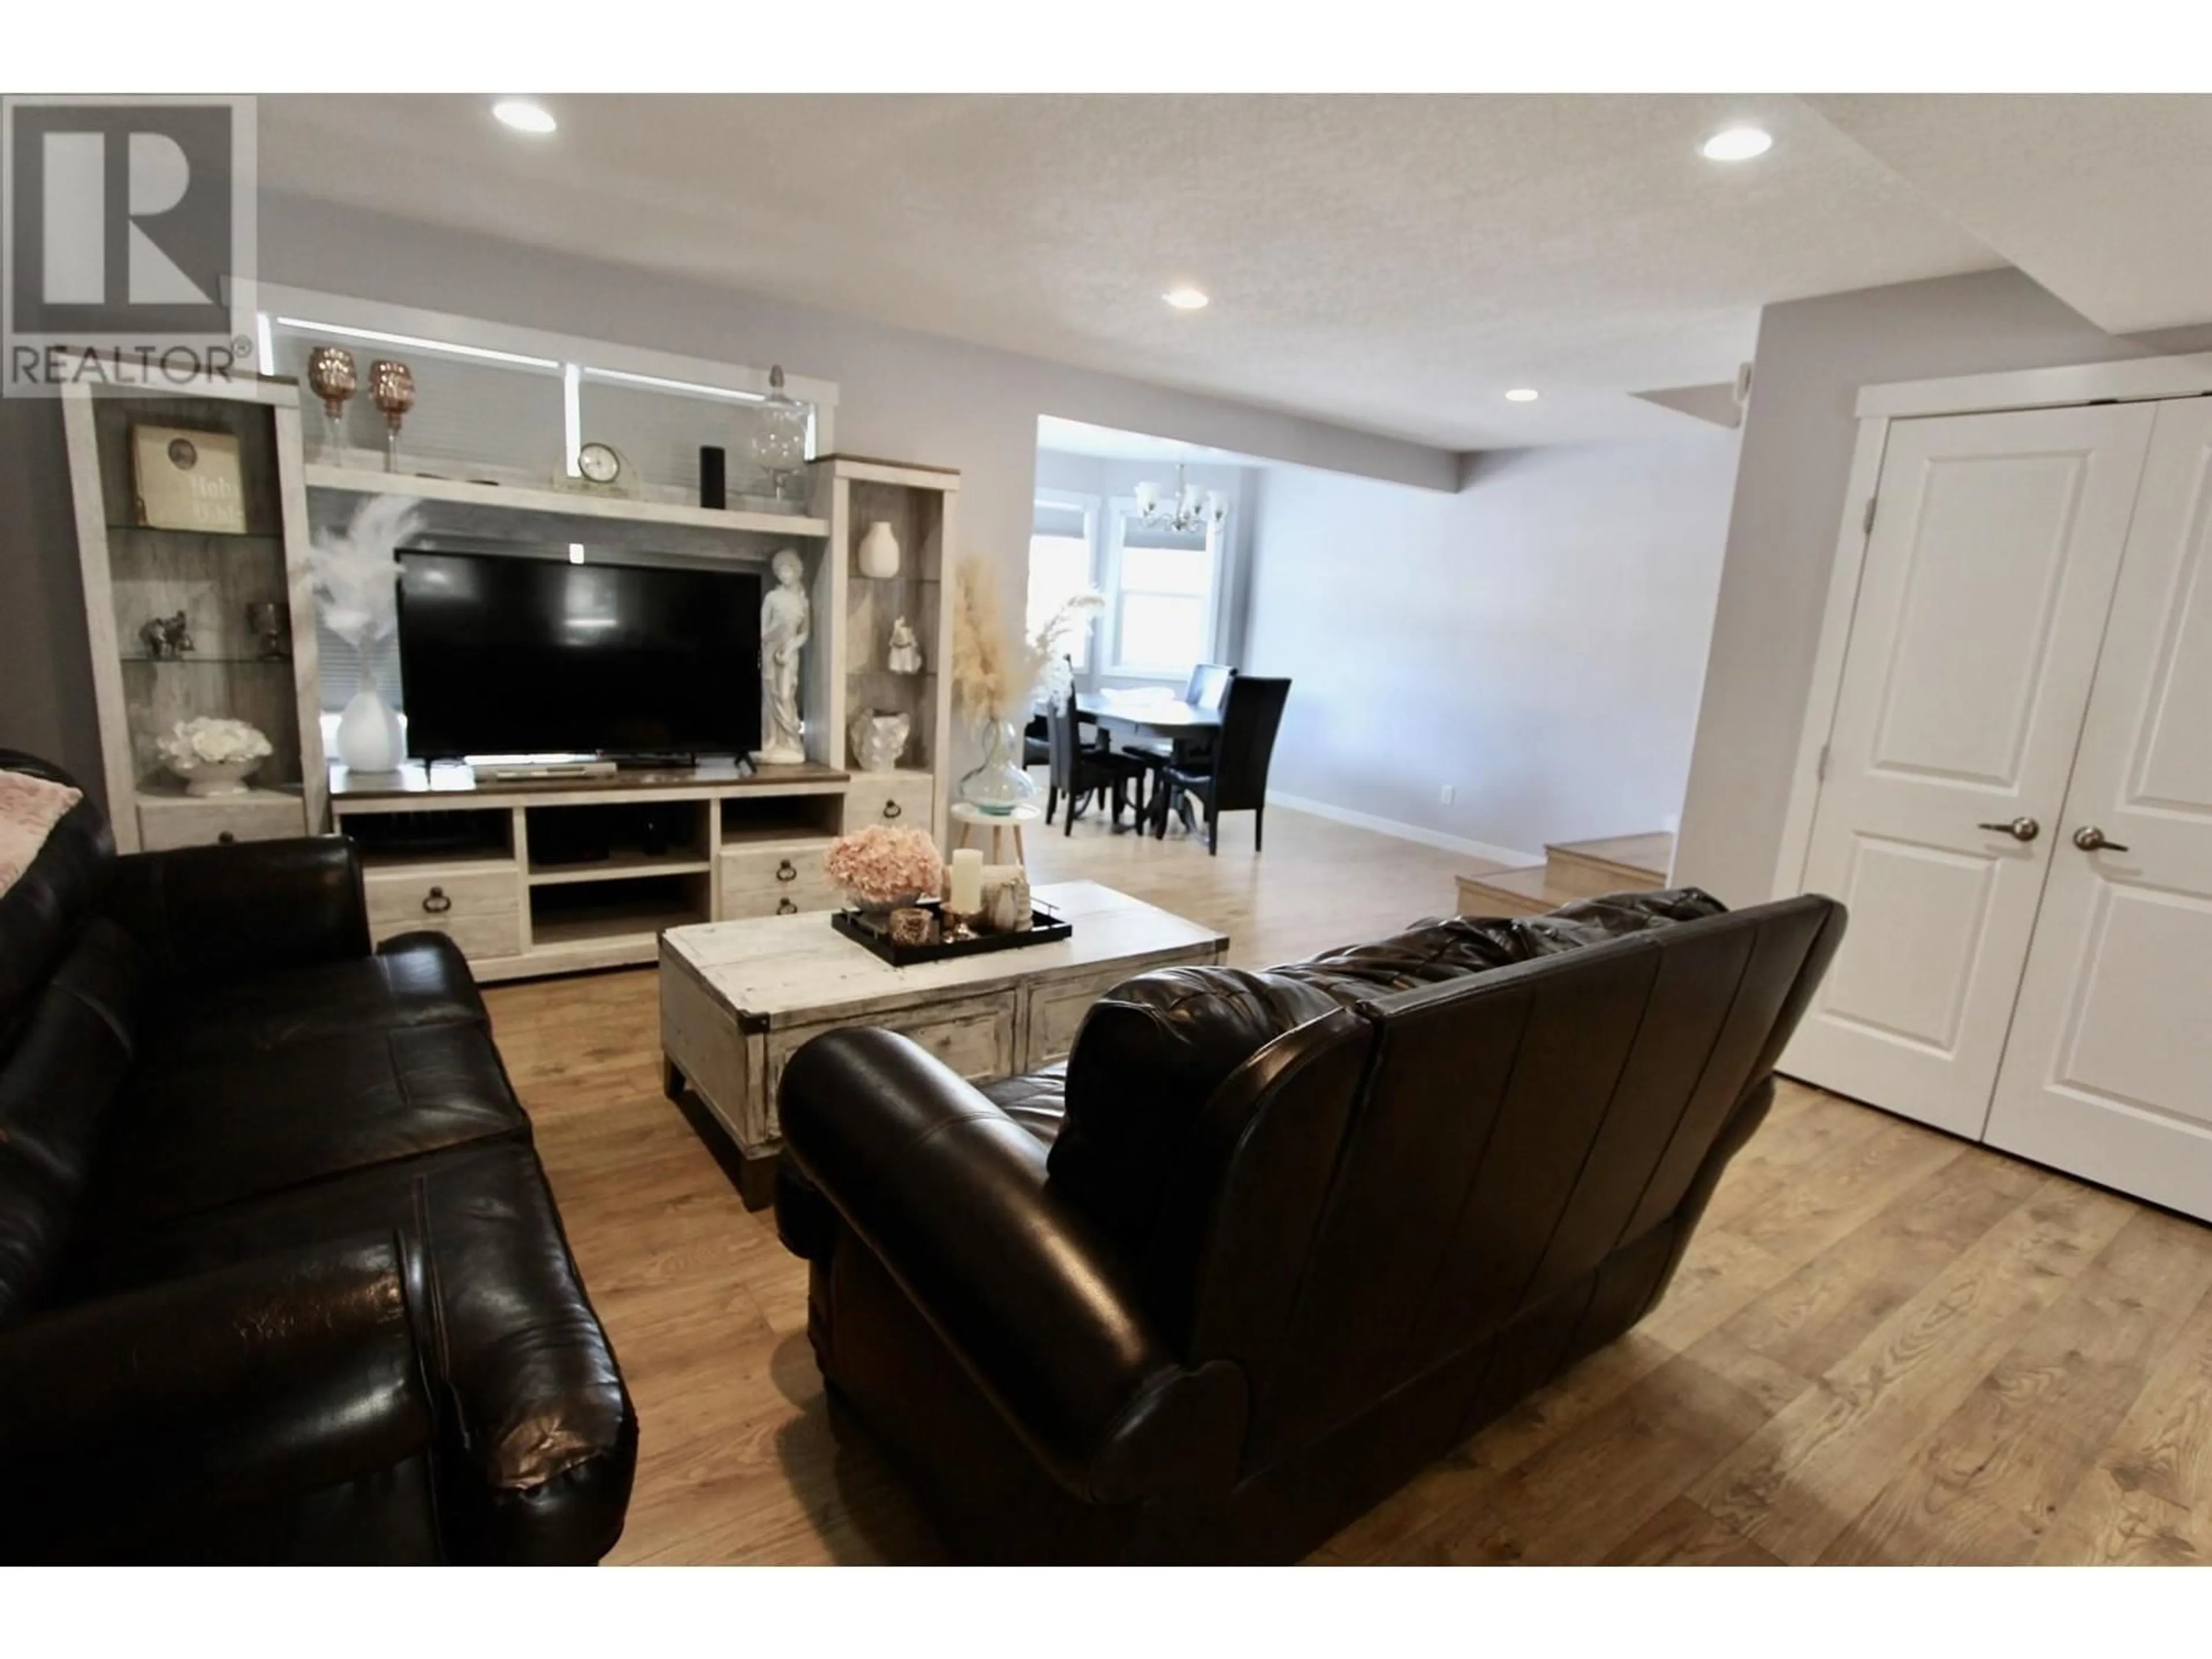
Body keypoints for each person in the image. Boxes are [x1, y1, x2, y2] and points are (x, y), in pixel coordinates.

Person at [755, 548, 810, 764]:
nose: (783, 574)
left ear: (797, 570)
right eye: (779, 571)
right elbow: (760, 631)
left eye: (787, 569)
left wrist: (789, 650)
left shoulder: (803, 601)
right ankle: (770, 740)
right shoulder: (772, 598)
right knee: (770, 697)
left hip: (789, 654)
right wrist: (774, 631)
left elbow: (805, 632)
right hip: (770, 651)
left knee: (786, 695)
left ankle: (791, 742)